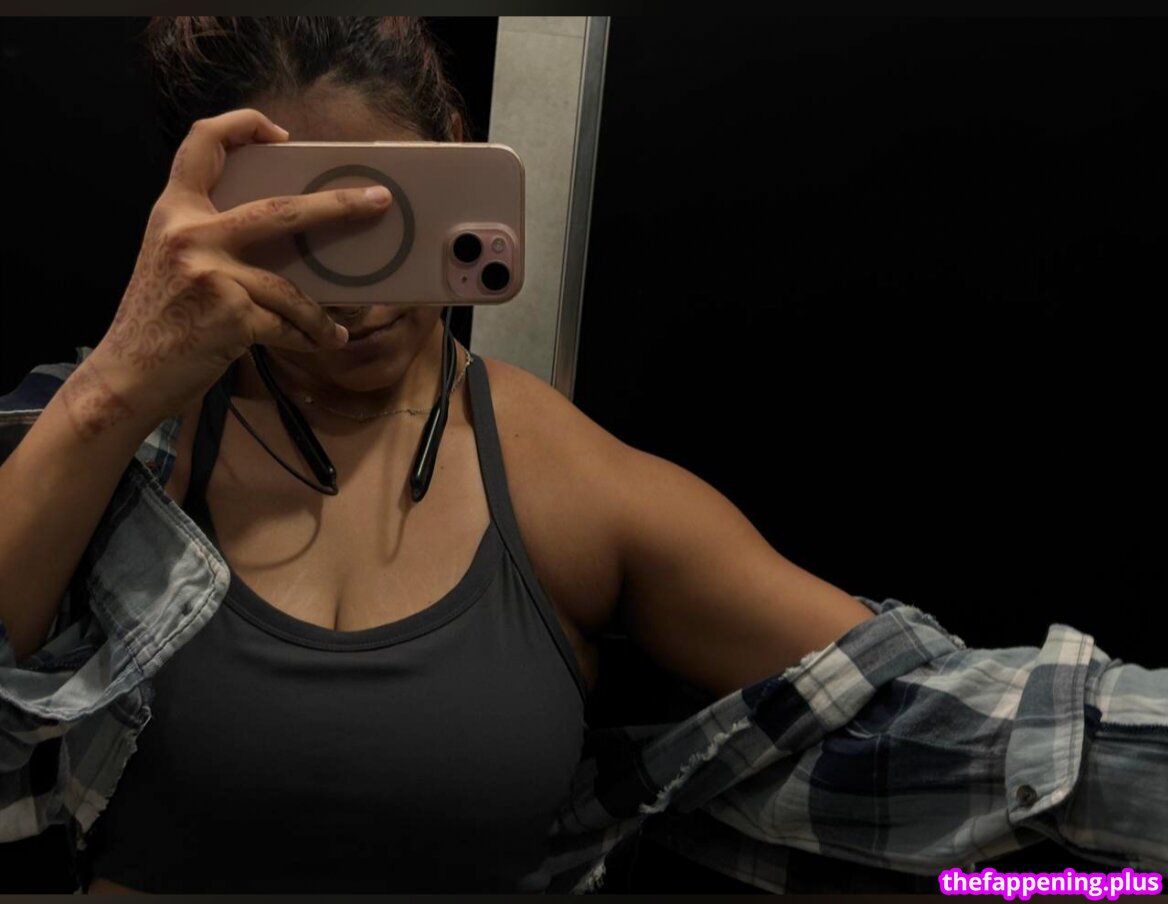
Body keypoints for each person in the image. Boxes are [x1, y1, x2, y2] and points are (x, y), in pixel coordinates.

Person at [0, 17, 1164, 895]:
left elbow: (917, 707)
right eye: (299, 233)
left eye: (384, 217)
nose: (354, 297)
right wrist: (123, 375)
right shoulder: (113, 441)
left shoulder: (559, 476)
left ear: (456, 165)